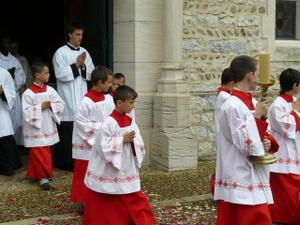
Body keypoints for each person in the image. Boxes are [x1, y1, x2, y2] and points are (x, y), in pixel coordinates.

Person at [214, 55, 278, 225]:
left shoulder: (252, 101)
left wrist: (268, 142)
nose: (258, 78)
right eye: (257, 74)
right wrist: (256, 116)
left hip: (253, 171)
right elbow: (244, 143)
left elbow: (265, 131)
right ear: (249, 75)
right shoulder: (231, 105)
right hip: (238, 171)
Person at [83, 85, 156, 225]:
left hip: (126, 164)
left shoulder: (130, 120)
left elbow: (138, 139)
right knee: (109, 195)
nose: (133, 106)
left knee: (131, 193)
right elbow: (101, 145)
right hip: (111, 167)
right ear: (119, 103)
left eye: (134, 102)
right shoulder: (109, 123)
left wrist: (134, 143)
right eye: (131, 102)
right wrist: (122, 140)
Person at [52, 22, 95, 171]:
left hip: (81, 95)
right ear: (70, 34)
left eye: (81, 35)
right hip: (67, 97)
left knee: (81, 130)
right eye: (77, 34)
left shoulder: (85, 52)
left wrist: (83, 66)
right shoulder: (60, 53)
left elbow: (92, 74)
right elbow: (60, 74)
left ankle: (80, 161)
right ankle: (65, 163)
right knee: (67, 133)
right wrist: (76, 64)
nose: (80, 38)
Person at [71, 65, 113, 205]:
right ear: (100, 83)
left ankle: (98, 199)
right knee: (85, 173)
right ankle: (83, 201)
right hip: (87, 146)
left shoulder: (108, 99)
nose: (110, 85)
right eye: (108, 82)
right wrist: (103, 130)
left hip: (101, 142)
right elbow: (82, 124)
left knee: (100, 171)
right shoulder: (86, 102)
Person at [22, 61, 65, 190]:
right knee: (39, 152)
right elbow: (25, 111)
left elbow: (60, 103)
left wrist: (51, 105)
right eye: (46, 73)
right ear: (37, 75)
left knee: (46, 151)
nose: (49, 75)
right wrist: (40, 106)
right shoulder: (28, 93)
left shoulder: (50, 90)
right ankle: (43, 177)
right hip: (35, 128)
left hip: (47, 125)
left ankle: (37, 174)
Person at [268, 68, 300, 225]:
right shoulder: (277, 105)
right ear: (295, 85)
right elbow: (288, 128)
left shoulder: (293, 102)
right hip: (284, 154)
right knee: (287, 191)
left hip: (295, 150)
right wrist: (296, 110)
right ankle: (284, 218)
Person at [210, 68, 235, 195]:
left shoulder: (224, 95)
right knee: (225, 164)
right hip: (225, 135)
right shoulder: (226, 97)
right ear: (231, 83)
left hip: (223, 134)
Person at [0, 36, 26, 146]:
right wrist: (7, 75)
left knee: (16, 122)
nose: (7, 46)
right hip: (2, 98)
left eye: (8, 43)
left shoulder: (15, 61)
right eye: (5, 43)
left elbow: (22, 76)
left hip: (13, 95)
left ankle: (14, 146)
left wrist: (13, 79)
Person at [0, 67, 22, 176]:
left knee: (4, 137)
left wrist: (2, 92)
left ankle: (8, 166)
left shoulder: (3, 73)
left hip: (1, 111)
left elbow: (11, 94)